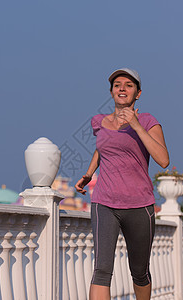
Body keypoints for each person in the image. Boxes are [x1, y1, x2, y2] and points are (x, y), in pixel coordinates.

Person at [75, 68, 169, 300]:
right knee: (101, 270)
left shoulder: (148, 121)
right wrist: (89, 173)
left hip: (139, 205)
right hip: (104, 203)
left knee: (139, 272)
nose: (122, 88)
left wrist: (136, 125)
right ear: (111, 92)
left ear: (138, 93)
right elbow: (103, 148)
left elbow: (164, 160)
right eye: (117, 84)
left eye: (128, 85)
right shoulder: (99, 122)